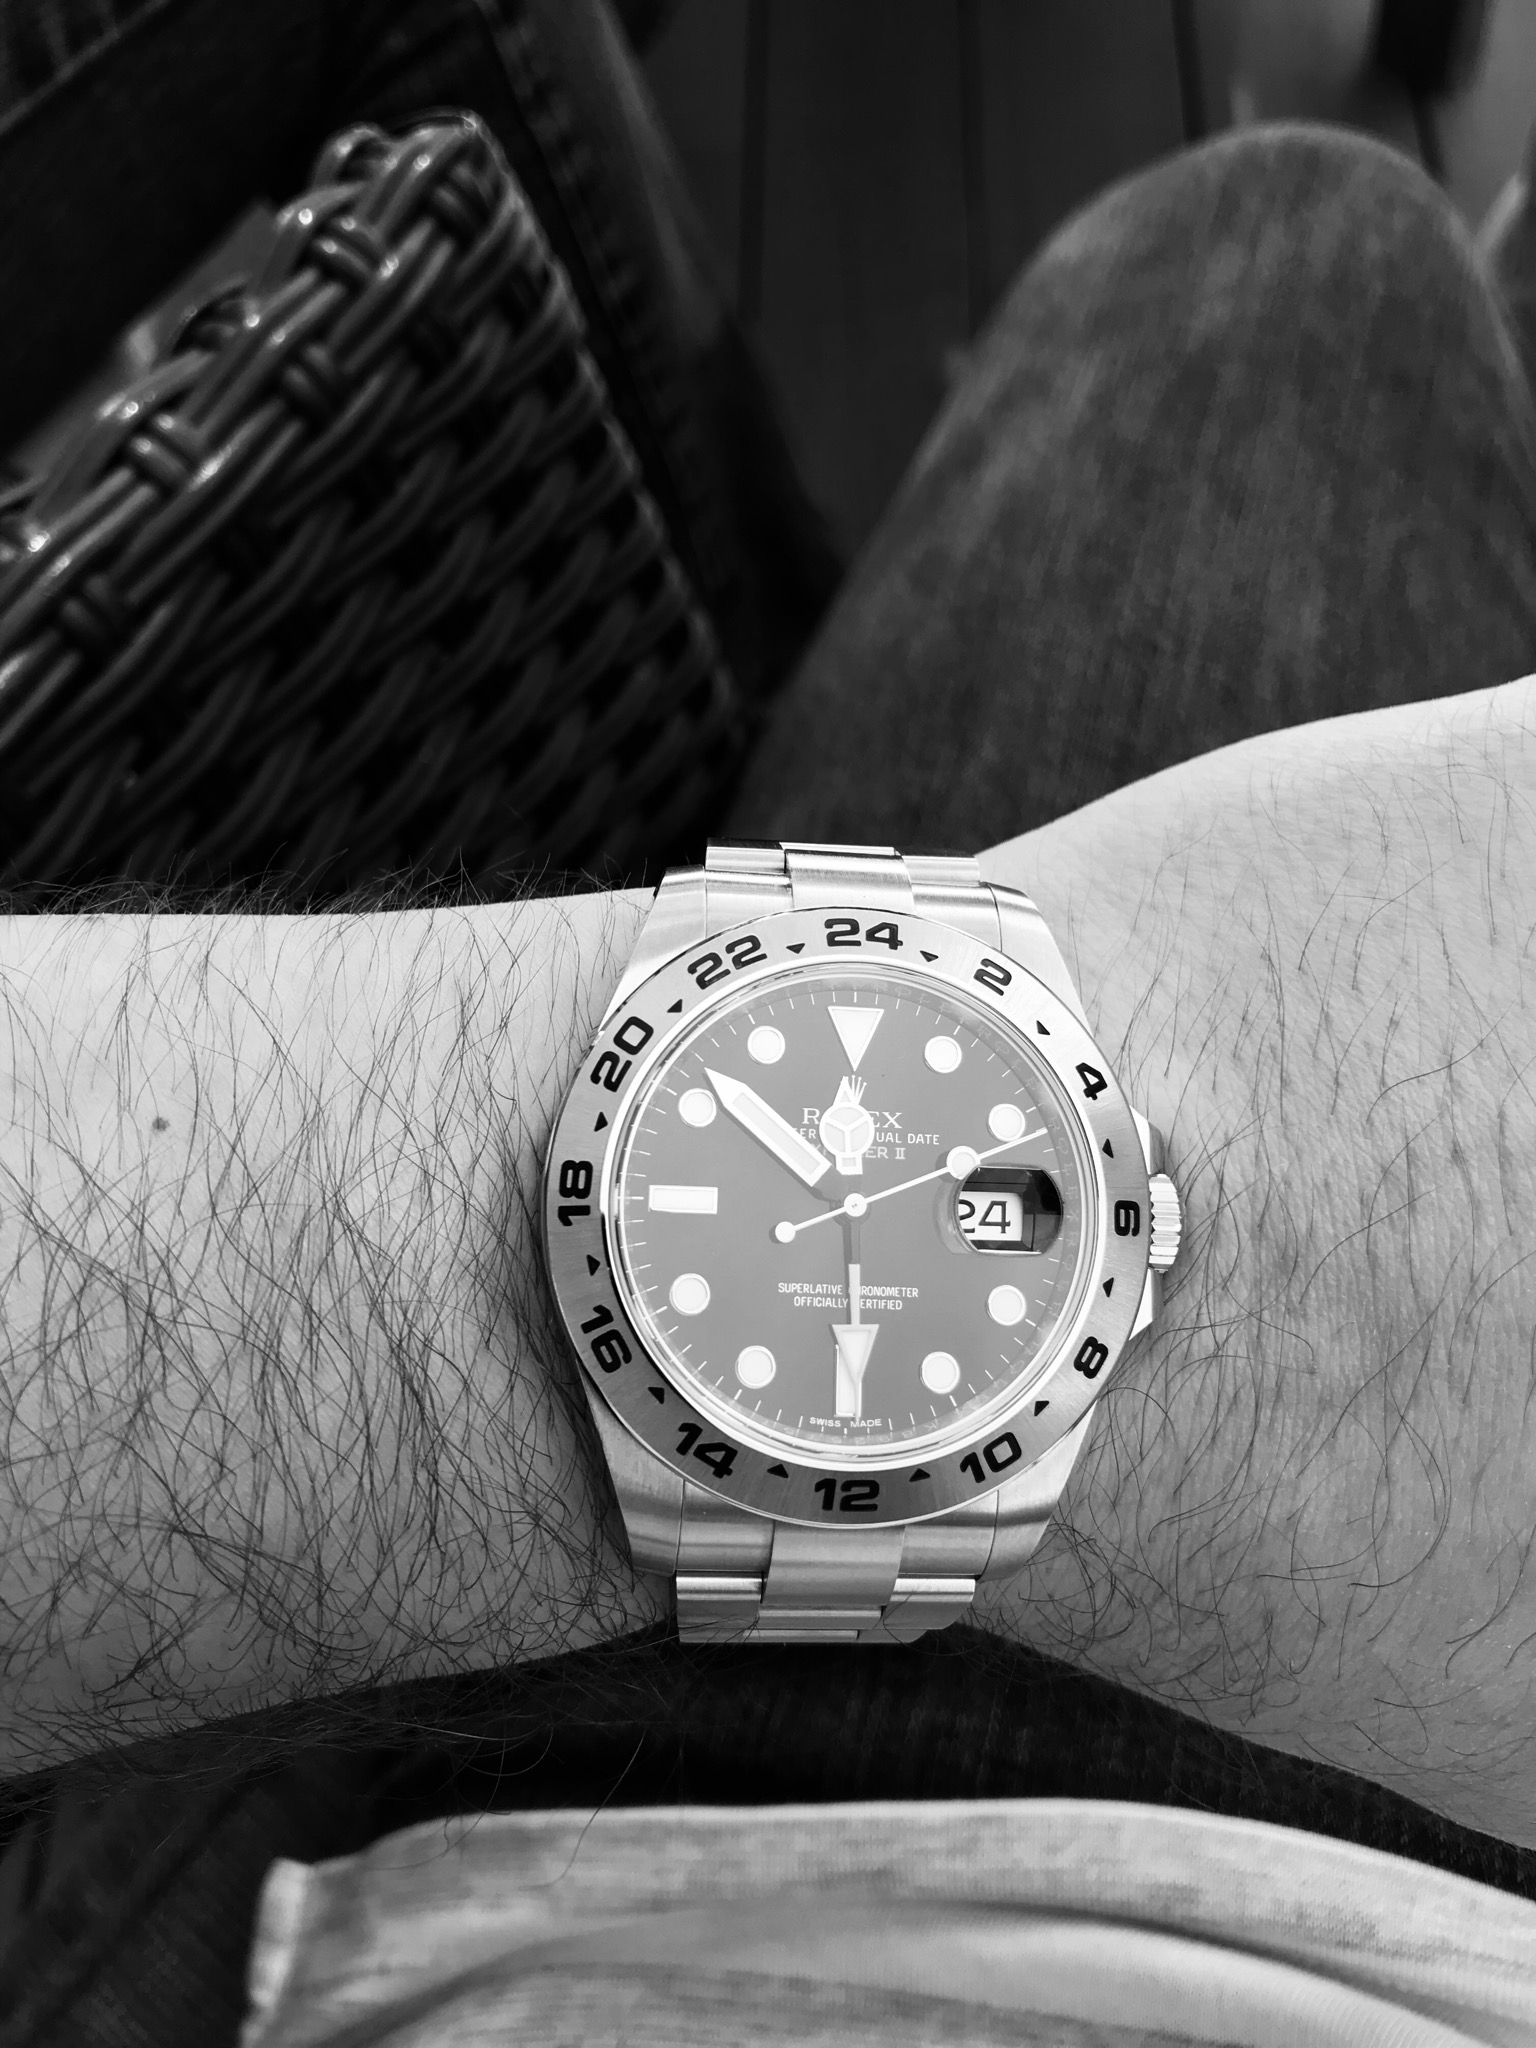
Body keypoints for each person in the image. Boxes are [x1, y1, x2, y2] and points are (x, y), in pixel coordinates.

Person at [3, 2, 1536, 2043]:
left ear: (1137, 1227)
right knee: (1315, 247)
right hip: (1351, 1888)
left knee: (1282, 262)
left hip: (443, 1879)